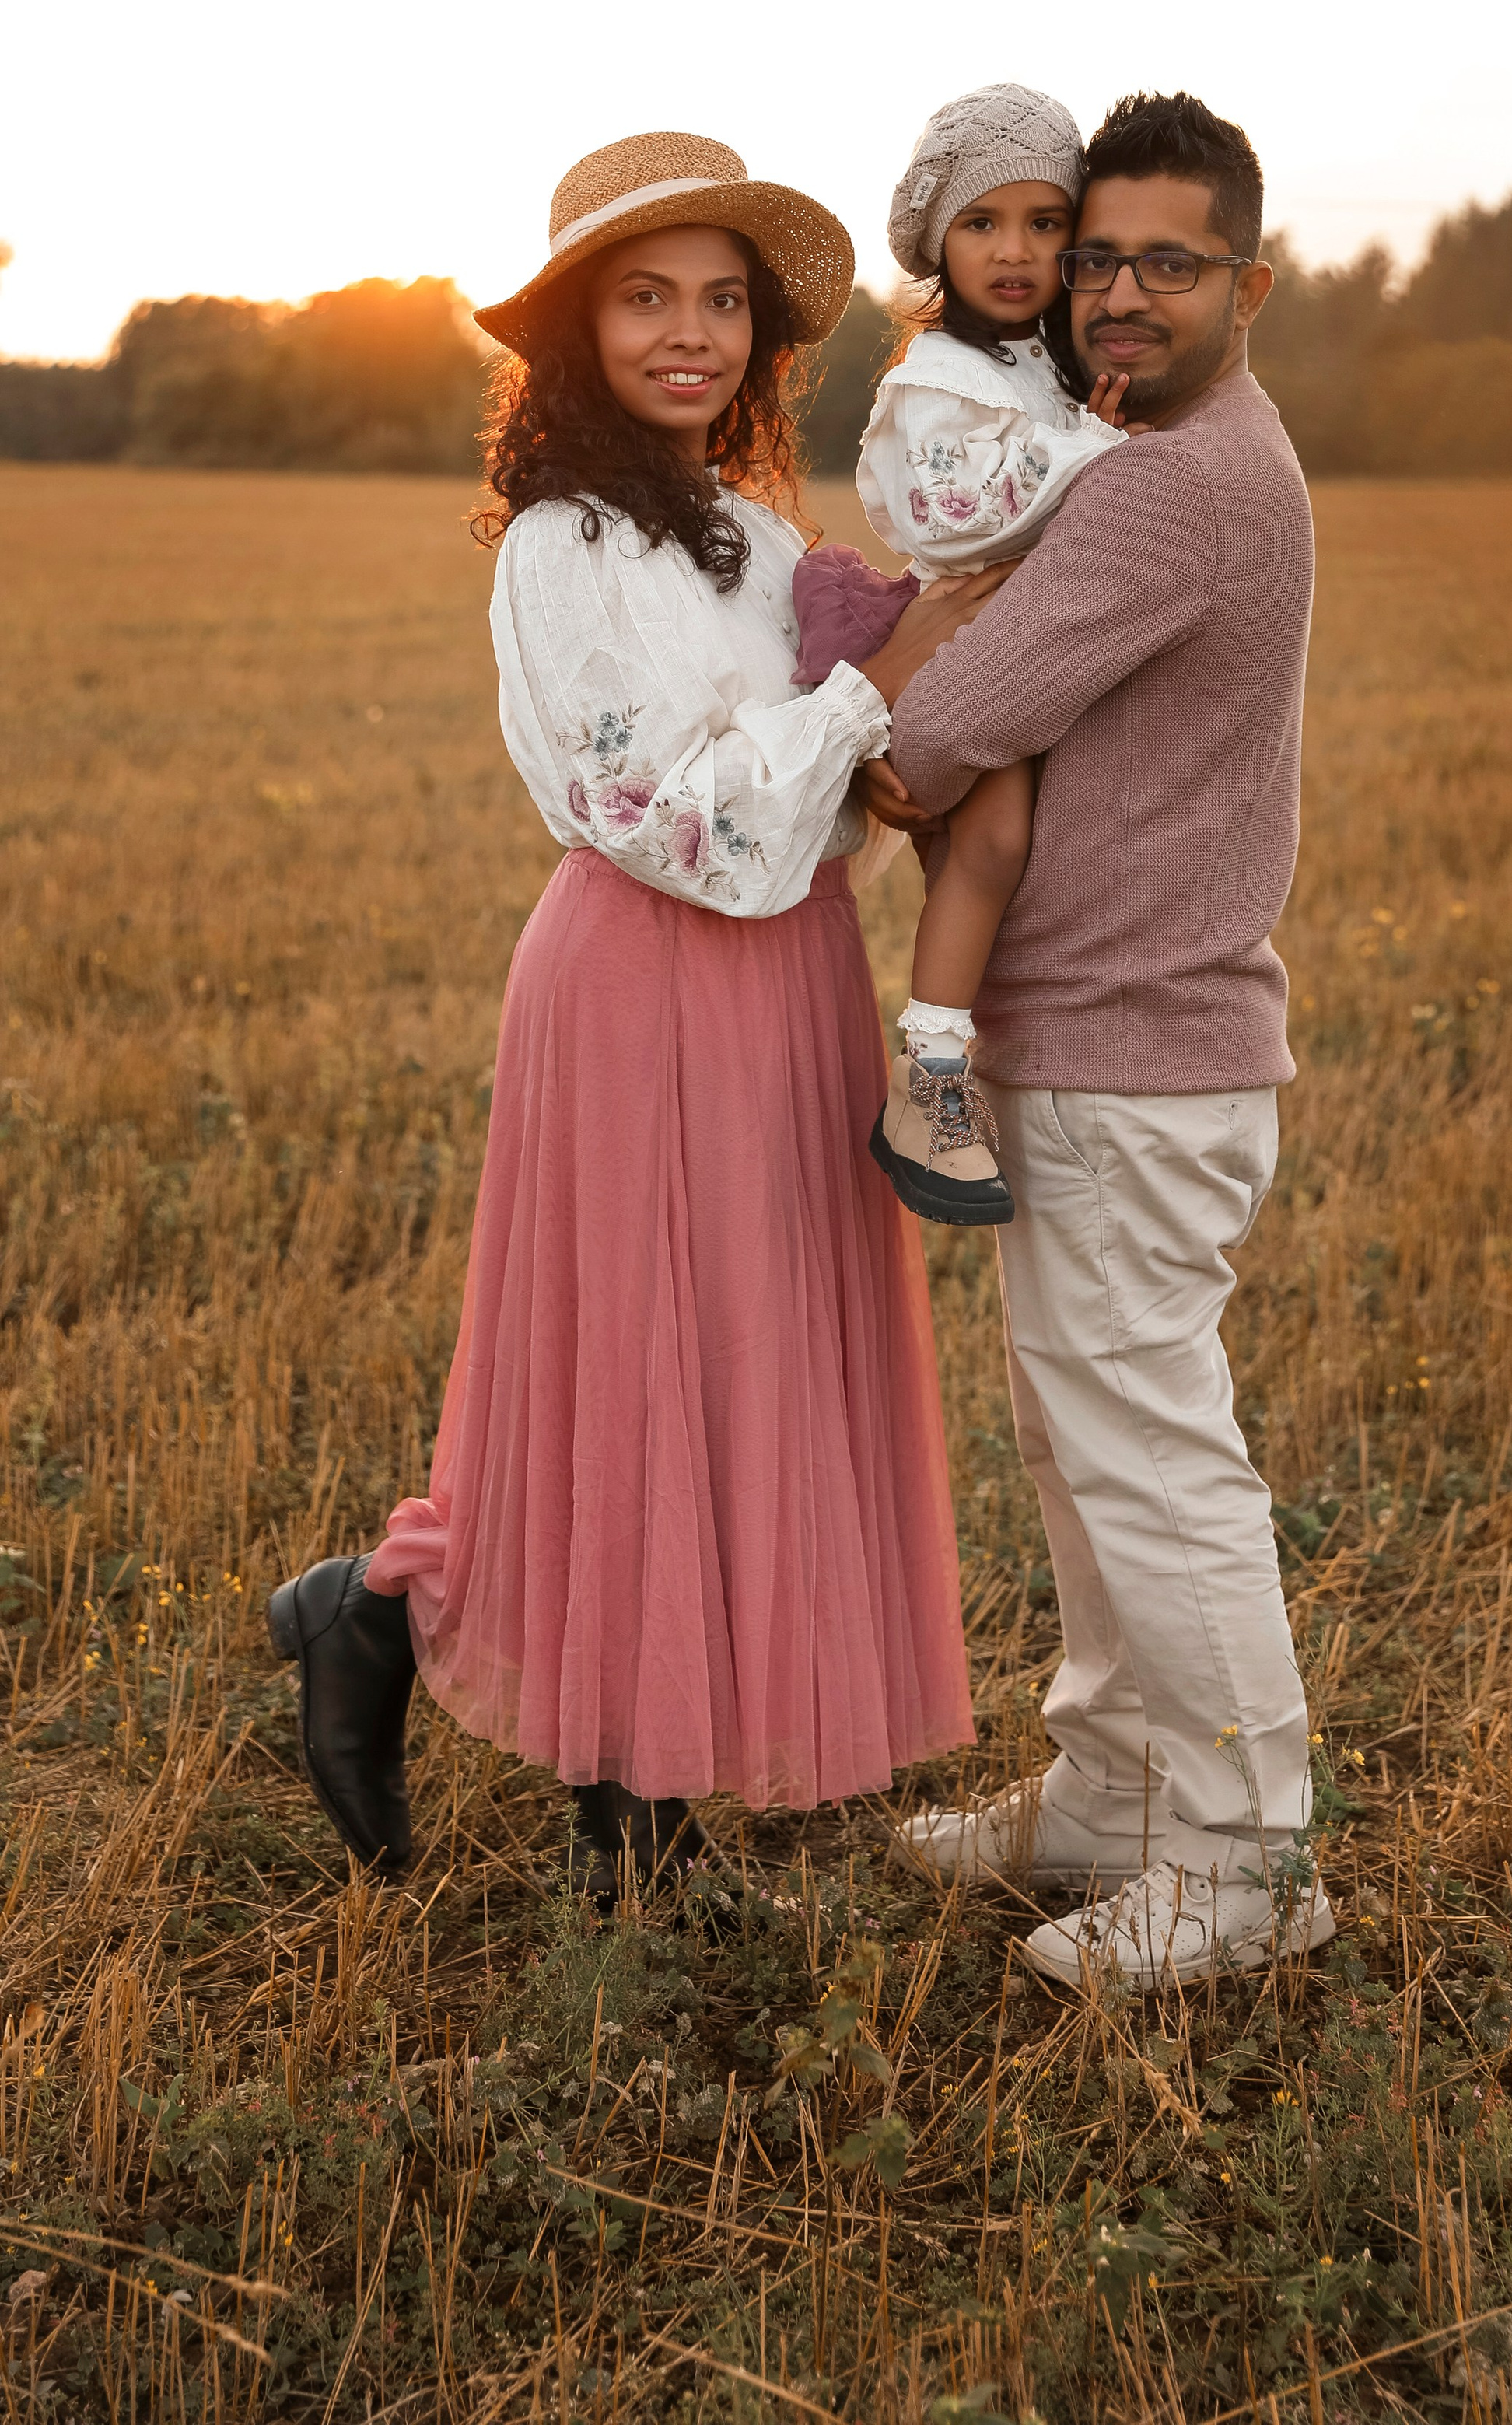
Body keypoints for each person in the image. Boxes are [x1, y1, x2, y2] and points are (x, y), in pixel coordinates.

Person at [267, 131, 987, 1891]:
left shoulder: (759, 536)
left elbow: (816, 805)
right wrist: (863, 699)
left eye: (722, 302)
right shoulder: (562, 543)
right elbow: (661, 820)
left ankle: (488, 1694)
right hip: (641, 983)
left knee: (739, 1372)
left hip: (790, 978)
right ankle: (553, 1750)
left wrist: (893, 713)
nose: (690, 335)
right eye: (646, 298)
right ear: (575, 331)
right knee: (629, 1377)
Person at [858, 92, 1329, 1992]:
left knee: (1145, 1460)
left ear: (1247, 283)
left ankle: (1241, 1867)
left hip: (1130, 1056)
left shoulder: (1162, 487)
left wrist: (880, 708)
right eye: (1096, 257)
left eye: (1167, 264)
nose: (1117, 294)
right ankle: (1112, 1796)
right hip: (1117, 1043)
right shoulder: (1193, 454)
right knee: (1084, 1448)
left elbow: (938, 735)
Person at [789, 85, 1129, 1228]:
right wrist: (1093, 449)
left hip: (1029, 625)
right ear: (937, 240)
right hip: (969, 630)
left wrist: (1087, 432)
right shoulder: (938, 376)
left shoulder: (1044, 367)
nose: (1015, 251)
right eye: (983, 223)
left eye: (1044, 223)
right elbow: (959, 510)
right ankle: (930, 1075)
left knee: (1026, 849)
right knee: (989, 839)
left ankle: (982, 1050)